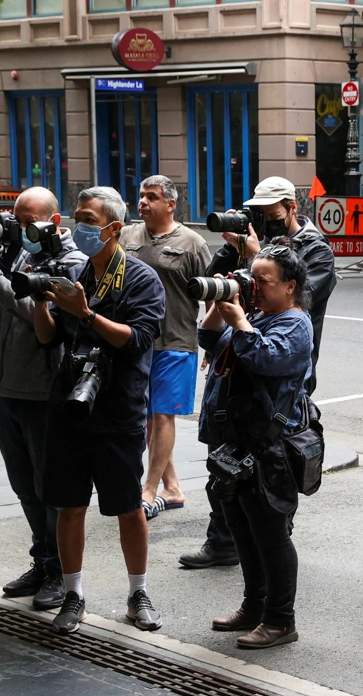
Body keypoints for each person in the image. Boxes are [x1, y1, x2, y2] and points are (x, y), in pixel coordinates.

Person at [180, 176, 336, 571]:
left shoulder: (313, 250)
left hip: (284, 365)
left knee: (267, 460)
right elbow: (216, 290)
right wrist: (231, 274)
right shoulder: (252, 253)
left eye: (272, 215)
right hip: (242, 360)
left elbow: (303, 299)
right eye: (260, 217)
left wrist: (255, 259)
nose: (265, 223)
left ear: (291, 207)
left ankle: (272, 538)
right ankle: (225, 541)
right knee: (227, 461)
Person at [32, 186, 166, 635]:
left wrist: (86, 314)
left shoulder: (142, 278)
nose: (79, 227)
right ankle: (74, 594)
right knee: (70, 506)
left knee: (129, 507)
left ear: (113, 227)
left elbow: (137, 339)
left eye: (88, 219)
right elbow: (49, 339)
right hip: (71, 404)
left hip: (118, 409)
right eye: (76, 218)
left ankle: (138, 593)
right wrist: (40, 300)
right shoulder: (75, 273)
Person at [0, 185, 87, 612]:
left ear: (55, 220)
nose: (22, 228)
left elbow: (40, 319)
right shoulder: (21, 253)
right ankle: (41, 559)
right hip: (8, 388)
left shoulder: (72, 263)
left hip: (44, 392)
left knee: (49, 488)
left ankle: (58, 572)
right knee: (23, 485)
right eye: (18, 220)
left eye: (30, 221)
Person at [199, 241, 314, 649]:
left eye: (263, 281)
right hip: (237, 443)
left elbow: (266, 359)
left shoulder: (294, 323)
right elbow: (210, 342)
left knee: (270, 534)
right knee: (242, 529)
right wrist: (220, 301)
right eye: (252, 279)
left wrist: (240, 320)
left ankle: (281, 620)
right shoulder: (257, 315)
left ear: (290, 286)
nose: (255, 288)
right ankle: (254, 606)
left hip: (270, 447)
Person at [118, 175, 212, 520]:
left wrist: (213, 343)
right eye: (141, 196)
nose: (143, 202)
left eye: (152, 197)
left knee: (163, 414)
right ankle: (172, 488)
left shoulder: (192, 242)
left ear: (170, 204)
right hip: (136, 341)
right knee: (145, 419)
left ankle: (149, 489)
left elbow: (213, 296)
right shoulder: (127, 236)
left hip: (176, 342)